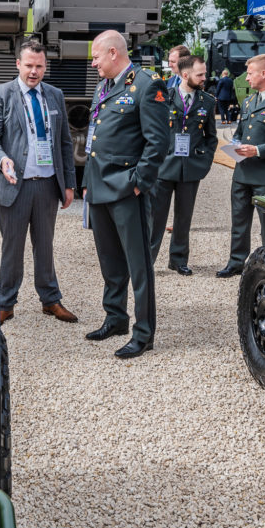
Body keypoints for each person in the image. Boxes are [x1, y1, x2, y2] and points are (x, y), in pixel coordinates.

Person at [82, 30, 169, 359]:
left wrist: (138, 182)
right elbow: (95, 136)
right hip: (101, 187)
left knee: (138, 265)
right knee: (110, 261)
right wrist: (89, 181)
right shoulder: (103, 86)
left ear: (114, 53)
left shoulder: (147, 85)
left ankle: (143, 333)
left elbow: (158, 142)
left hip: (127, 189)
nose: (93, 63)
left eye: (96, 57)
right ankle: (115, 317)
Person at [0, 39, 78, 324]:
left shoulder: (55, 94)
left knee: (45, 244)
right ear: (17, 65)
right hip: (14, 184)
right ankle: (6, 303)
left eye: (39, 66)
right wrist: (2, 160)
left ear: (45, 66)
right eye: (28, 66)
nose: (34, 72)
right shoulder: (0, 94)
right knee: (13, 246)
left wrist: (69, 183)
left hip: (47, 184)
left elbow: (64, 142)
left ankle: (50, 300)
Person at [217, 54, 265, 278]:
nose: (247, 78)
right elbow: (241, 133)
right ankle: (236, 262)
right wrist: (235, 145)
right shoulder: (249, 101)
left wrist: (258, 150)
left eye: (250, 73)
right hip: (242, 172)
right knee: (239, 221)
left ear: (264, 74)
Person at [150, 54, 218, 275]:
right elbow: (151, 131)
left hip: (190, 168)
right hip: (163, 166)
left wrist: (204, 162)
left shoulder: (207, 101)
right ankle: (146, 260)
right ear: (185, 74)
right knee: (155, 218)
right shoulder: (164, 97)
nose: (204, 77)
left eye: (204, 73)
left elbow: (211, 137)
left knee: (184, 217)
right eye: (200, 74)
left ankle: (178, 260)